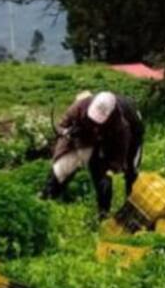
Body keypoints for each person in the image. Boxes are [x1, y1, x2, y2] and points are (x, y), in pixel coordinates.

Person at [40, 90, 145, 220]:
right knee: (66, 164)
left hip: (130, 134)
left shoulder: (121, 125)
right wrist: (66, 134)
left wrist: (112, 168)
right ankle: (47, 198)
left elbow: (120, 152)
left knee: (126, 172)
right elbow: (62, 127)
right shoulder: (79, 107)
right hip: (89, 133)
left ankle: (119, 211)